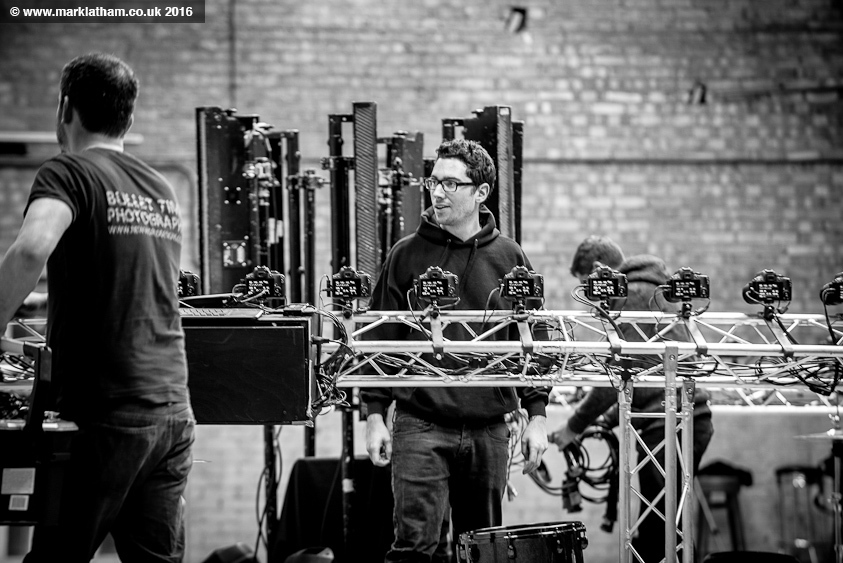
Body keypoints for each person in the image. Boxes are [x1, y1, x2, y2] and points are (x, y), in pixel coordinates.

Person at [0, 53, 195, 562]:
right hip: (171, 410)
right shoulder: (159, 188)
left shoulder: (68, 172)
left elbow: (31, 249)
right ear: (128, 116)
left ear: (65, 107)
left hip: (107, 412)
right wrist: (42, 301)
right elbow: (134, 285)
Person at [362, 139, 549, 563]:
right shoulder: (406, 255)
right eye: (434, 182)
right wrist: (374, 415)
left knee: (483, 552)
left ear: (481, 192)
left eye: (450, 183)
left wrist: (537, 415)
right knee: (414, 552)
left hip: (489, 430)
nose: (438, 192)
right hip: (420, 424)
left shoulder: (510, 257)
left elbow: (534, 341)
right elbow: (378, 341)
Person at [549, 235, 714, 562]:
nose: (591, 297)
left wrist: (573, 425)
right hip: (670, 420)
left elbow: (617, 375)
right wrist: (604, 420)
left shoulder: (635, 296)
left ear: (600, 270)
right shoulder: (647, 292)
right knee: (664, 524)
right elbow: (642, 375)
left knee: (661, 530)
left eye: (588, 284)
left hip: (670, 422)